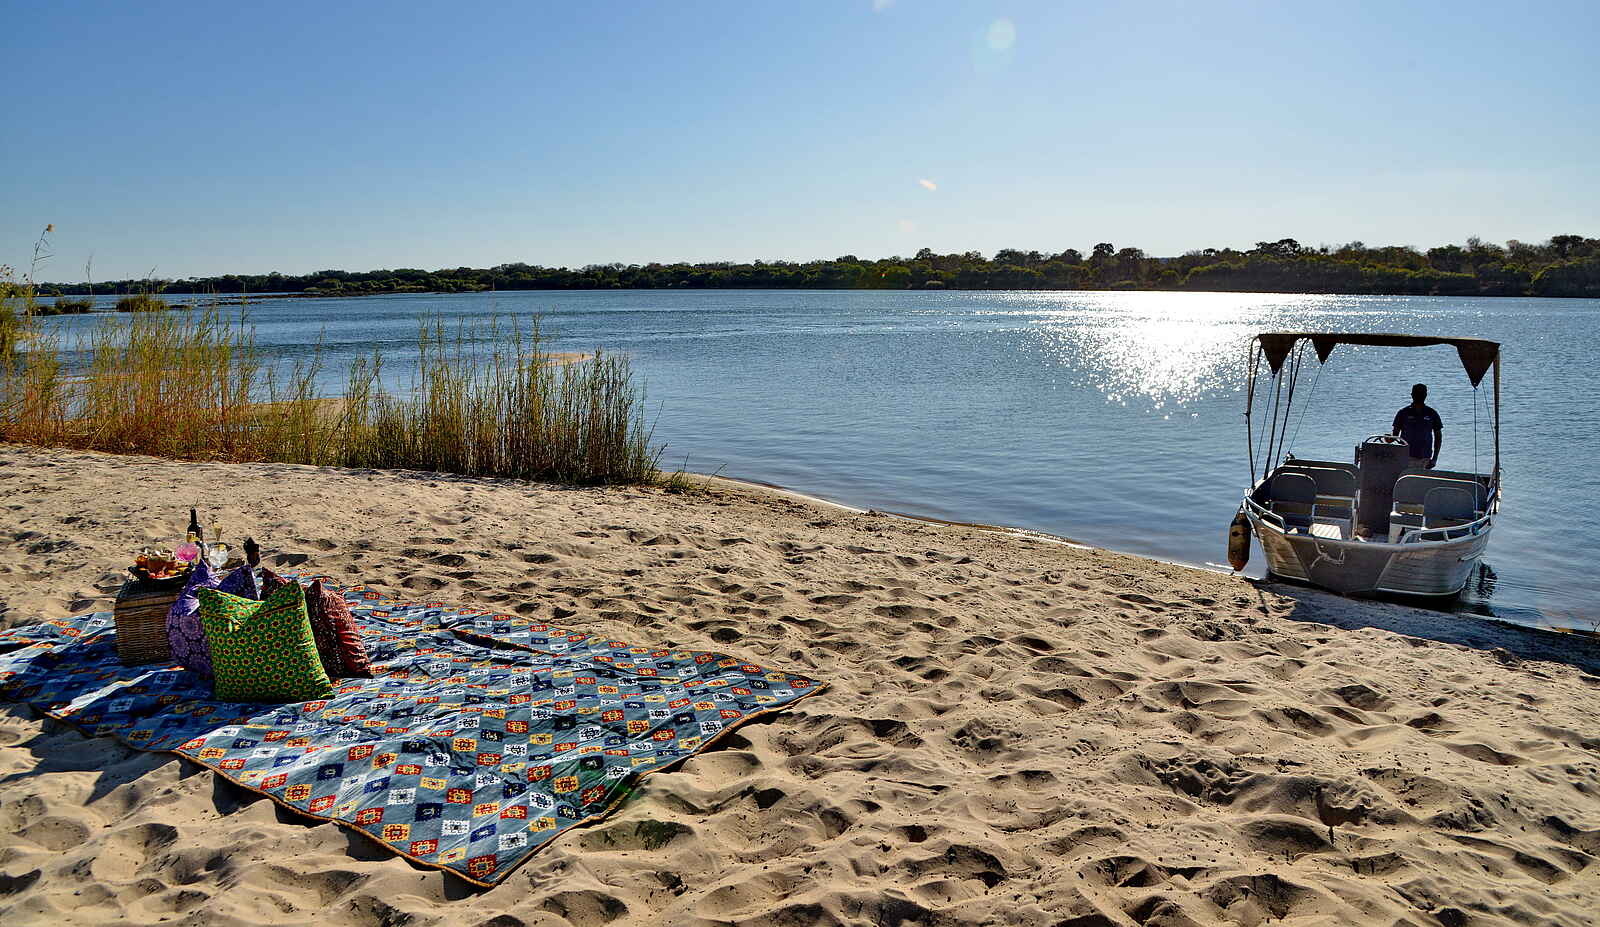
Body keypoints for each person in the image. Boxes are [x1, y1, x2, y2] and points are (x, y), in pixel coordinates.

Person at [1392, 383, 1443, 469]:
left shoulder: (1432, 413)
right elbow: (1395, 436)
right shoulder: (1403, 412)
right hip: (1406, 457)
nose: (1419, 395)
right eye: (1417, 393)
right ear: (1412, 395)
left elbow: (1438, 437)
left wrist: (1435, 458)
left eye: (1422, 393)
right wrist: (1389, 439)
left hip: (1425, 458)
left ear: (1426, 395)